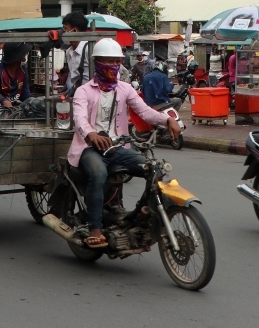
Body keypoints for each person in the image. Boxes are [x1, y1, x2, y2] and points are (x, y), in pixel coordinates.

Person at [68, 37, 181, 249]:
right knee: (98, 173)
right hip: (89, 148)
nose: (112, 66)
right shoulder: (83, 91)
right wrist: (91, 134)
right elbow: (80, 119)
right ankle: (95, 227)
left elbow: (145, 111)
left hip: (116, 147)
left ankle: (143, 213)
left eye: (116, 62)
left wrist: (167, 119)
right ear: (97, 63)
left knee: (152, 169)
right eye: (107, 62)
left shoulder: (125, 88)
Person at [61, 11, 90, 96]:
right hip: (79, 96)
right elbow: (75, 80)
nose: (63, 32)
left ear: (75, 30)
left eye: (65, 29)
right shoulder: (69, 52)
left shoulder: (89, 49)